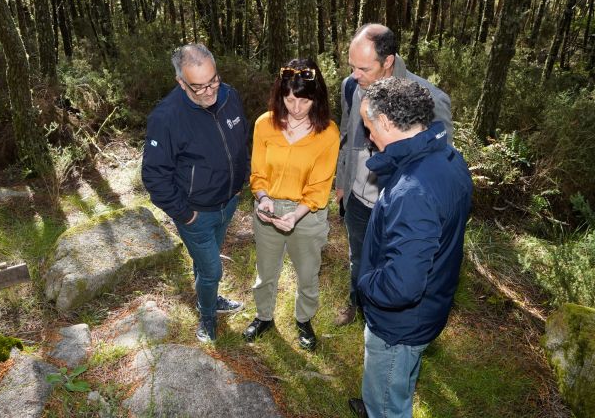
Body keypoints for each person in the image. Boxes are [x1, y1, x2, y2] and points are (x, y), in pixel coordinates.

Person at [349, 77, 472, 418]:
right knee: (397, 383)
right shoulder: (446, 158)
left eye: (369, 126)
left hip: (400, 323)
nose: (367, 134)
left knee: (388, 412)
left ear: (386, 121)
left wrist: (365, 283)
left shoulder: (413, 188)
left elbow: (402, 284)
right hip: (429, 308)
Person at [334, 23, 454, 327]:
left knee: (394, 264)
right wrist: (341, 180)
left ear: (388, 61)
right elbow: (346, 136)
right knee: (358, 257)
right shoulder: (352, 86)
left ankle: (383, 320)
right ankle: (356, 303)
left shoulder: (427, 98)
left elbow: (440, 159)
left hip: (399, 204)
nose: (355, 75)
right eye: (352, 67)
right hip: (358, 196)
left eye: (364, 68)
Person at [141, 43, 248, 342]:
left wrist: (242, 179)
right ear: (181, 82)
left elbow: (242, 141)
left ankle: (208, 297)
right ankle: (207, 315)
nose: (209, 91)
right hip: (196, 212)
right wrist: (186, 214)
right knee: (212, 270)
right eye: (198, 86)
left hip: (229, 202)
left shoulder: (230, 96)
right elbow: (154, 175)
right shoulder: (166, 117)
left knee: (204, 263)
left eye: (213, 80)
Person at [242, 58, 340, 351]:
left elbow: (320, 185)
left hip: (307, 214)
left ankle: (304, 320)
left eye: (304, 100)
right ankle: (263, 317)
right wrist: (264, 199)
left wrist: (295, 215)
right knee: (265, 270)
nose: (296, 107)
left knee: (308, 272)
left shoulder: (328, 133)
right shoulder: (264, 124)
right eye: (289, 98)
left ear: (316, 98)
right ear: (280, 95)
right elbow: (258, 173)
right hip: (268, 210)